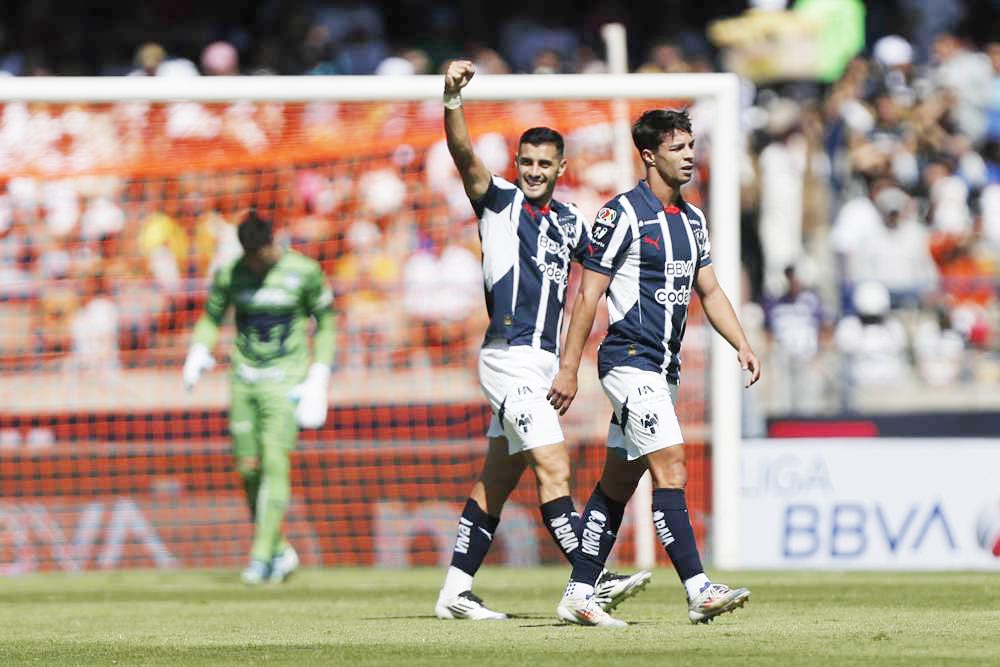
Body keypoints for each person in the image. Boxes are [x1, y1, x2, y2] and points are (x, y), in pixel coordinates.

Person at [434, 59, 650, 621]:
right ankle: (590, 581)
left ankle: (454, 592)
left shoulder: (571, 222)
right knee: (554, 466)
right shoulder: (498, 202)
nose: (533, 171)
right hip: (508, 358)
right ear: (517, 164)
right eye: (526, 162)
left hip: (541, 363)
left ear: (560, 167)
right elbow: (463, 154)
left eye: (543, 164)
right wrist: (453, 99)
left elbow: (603, 272)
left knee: (497, 478)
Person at [548, 109, 761, 627]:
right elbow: (588, 296)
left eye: (690, 146)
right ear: (649, 156)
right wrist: (568, 368)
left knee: (617, 484)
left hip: (663, 369)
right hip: (628, 362)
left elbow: (710, 290)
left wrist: (741, 342)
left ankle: (579, 590)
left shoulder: (693, 220)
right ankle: (698, 589)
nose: (689, 156)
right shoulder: (620, 214)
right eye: (677, 148)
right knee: (672, 466)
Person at [182, 209, 335, 585]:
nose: (254, 263)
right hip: (243, 378)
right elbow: (211, 317)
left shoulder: (304, 272)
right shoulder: (230, 273)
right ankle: (280, 550)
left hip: (285, 379)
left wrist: (318, 377)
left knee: (274, 461)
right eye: (248, 256)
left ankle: (260, 557)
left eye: (259, 254)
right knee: (248, 468)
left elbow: (327, 322)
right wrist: (199, 350)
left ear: (272, 243)